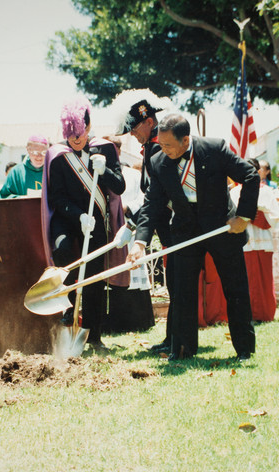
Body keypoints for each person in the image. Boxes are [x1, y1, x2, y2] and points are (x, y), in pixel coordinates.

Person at [127, 113, 260, 361]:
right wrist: (139, 242)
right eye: (161, 144)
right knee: (183, 292)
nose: (163, 149)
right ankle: (183, 349)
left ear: (186, 140)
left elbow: (251, 176)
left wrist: (243, 217)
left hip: (222, 226)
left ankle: (244, 349)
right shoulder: (158, 162)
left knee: (236, 290)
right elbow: (152, 204)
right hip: (185, 229)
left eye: (168, 145)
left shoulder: (215, 148)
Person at [41, 97, 128, 349]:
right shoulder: (57, 155)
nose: (75, 140)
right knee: (64, 250)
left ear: (88, 128)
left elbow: (119, 186)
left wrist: (106, 171)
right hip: (68, 218)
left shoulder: (106, 149)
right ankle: (68, 307)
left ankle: (94, 335)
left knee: (93, 276)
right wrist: (78, 215)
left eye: (79, 134)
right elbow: (56, 196)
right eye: (70, 136)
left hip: (97, 219)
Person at [112, 88, 174, 353]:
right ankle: (173, 338)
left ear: (149, 122)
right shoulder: (151, 147)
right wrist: (133, 222)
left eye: (135, 128)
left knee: (178, 282)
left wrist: (132, 224)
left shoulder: (161, 147)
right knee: (174, 282)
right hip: (164, 223)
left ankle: (178, 340)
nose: (133, 134)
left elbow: (157, 196)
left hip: (175, 224)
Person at [100, 135, 154, 333]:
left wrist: (127, 207)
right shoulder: (99, 173)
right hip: (107, 230)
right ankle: (109, 324)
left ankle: (137, 321)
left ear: (120, 152)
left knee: (132, 270)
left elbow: (145, 196)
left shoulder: (132, 174)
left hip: (129, 227)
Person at [231, 159, 279, 321]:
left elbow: (278, 219)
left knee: (264, 279)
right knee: (245, 280)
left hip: (262, 240)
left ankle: (265, 313)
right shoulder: (234, 192)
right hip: (244, 241)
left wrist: (261, 217)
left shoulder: (267, 191)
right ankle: (247, 314)